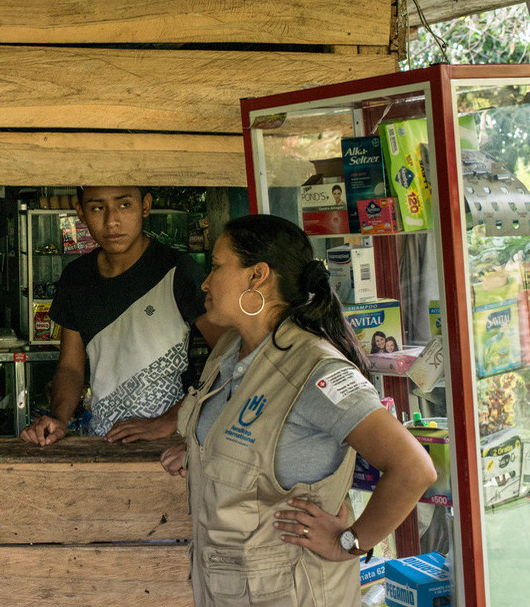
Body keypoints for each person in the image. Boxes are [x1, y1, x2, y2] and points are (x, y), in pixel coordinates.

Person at [160, 215, 436, 606]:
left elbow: (414, 468)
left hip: (295, 592)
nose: (205, 281)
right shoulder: (228, 351)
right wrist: (200, 451)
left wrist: (350, 542)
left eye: (217, 266)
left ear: (257, 276)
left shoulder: (315, 370)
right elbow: (248, 450)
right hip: (227, 589)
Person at [20, 186, 222, 446]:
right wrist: (58, 418)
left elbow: (228, 354)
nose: (111, 221)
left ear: (145, 206)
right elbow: (70, 367)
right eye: (97, 208)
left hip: (175, 443)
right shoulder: (76, 278)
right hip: (106, 439)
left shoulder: (178, 271)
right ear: (80, 212)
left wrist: (171, 419)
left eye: (124, 205)